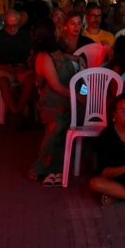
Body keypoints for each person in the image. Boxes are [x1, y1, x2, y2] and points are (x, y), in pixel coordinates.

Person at [28, 20, 79, 186]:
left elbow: (72, 66)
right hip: (52, 102)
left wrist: (79, 61)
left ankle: (59, 167)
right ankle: (42, 167)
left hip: (69, 99)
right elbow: (56, 86)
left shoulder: (59, 53)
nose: (60, 30)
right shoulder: (43, 57)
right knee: (56, 126)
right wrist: (78, 96)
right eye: (56, 28)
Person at [0, 10, 36, 125]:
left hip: (21, 67)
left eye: (15, 26)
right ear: (4, 23)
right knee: (3, 82)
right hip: (4, 68)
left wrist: (27, 65)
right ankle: (16, 110)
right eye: (9, 26)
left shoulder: (26, 35)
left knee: (30, 80)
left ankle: (18, 108)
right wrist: (8, 68)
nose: (12, 29)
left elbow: (32, 55)